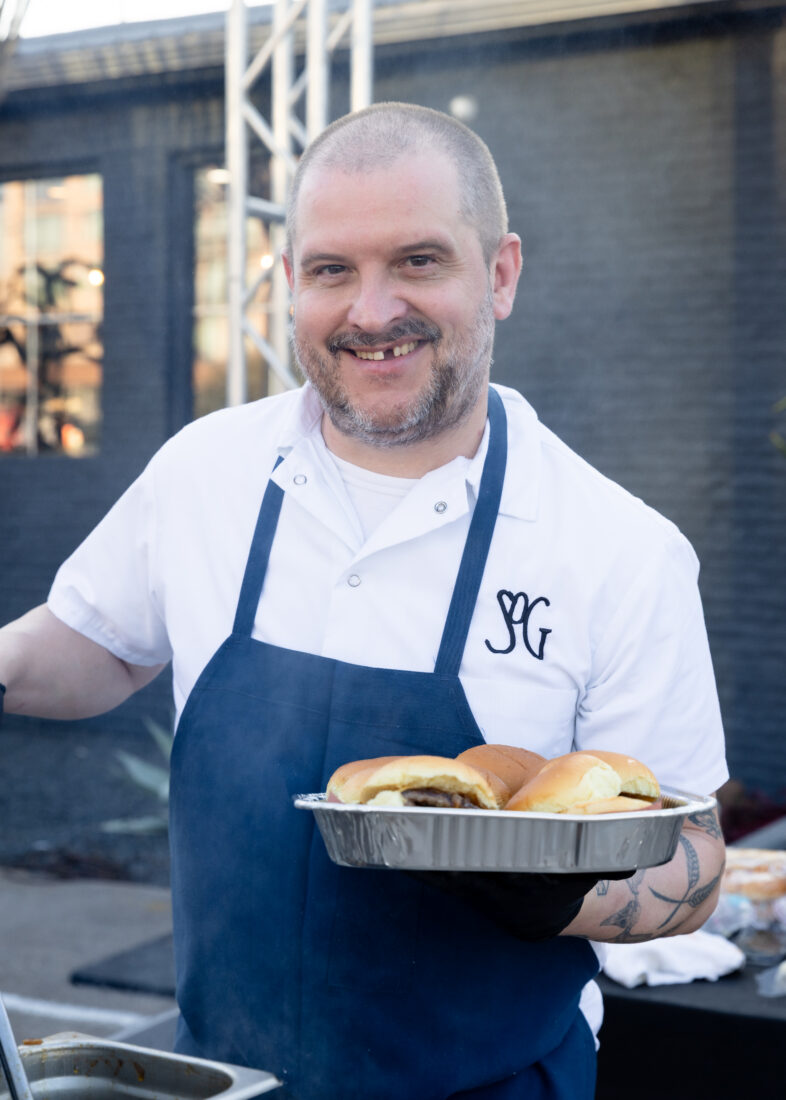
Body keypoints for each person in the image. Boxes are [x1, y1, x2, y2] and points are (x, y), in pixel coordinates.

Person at [0, 103, 727, 1099]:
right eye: (332, 269)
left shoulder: (622, 550)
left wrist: (538, 890)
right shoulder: (205, 470)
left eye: (420, 261)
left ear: (501, 273)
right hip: (221, 1077)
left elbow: (692, 855)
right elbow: (99, 644)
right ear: (290, 279)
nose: (372, 311)